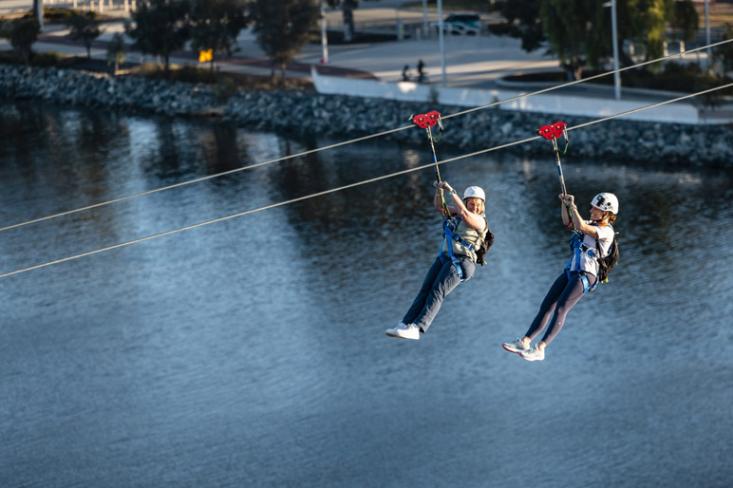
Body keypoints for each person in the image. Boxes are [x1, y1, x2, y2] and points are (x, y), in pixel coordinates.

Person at [502, 192, 619, 361]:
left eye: (596, 208)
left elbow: (583, 228)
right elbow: (569, 222)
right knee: (547, 304)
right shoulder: (590, 222)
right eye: (593, 207)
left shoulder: (606, 232)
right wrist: (565, 205)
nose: (592, 209)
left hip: (586, 275)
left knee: (561, 308)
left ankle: (540, 348)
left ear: (606, 213)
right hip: (571, 271)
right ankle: (525, 341)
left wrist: (573, 206)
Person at [386, 181, 489, 340]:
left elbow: (466, 214)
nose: (474, 207)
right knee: (425, 289)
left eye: (477, 205)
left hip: (462, 263)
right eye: (471, 204)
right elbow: (441, 208)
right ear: (466, 202)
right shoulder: (459, 214)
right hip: (446, 258)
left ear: (482, 206)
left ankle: (418, 327)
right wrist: (439, 191)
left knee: (437, 291)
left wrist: (452, 191)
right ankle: (405, 324)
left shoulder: (480, 221)